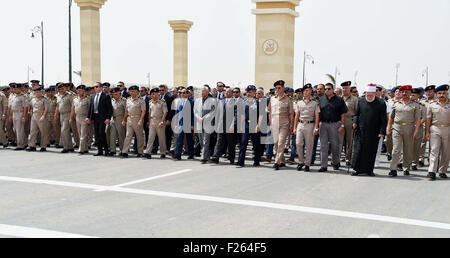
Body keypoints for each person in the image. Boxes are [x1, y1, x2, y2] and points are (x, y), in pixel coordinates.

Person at [351, 84, 387, 176]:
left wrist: (382, 132)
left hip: (374, 132)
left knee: (371, 151)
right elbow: (356, 114)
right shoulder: (361, 101)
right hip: (360, 130)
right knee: (358, 150)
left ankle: (369, 170)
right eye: (368, 95)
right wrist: (354, 122)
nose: (369, 97)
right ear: (366, 93)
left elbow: (383, 119)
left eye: (371, 95)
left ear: (374, 93)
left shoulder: (381, 103)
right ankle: (356, 169)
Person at [387, 85, 422, 177]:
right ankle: (393, 168)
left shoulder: (415, 105)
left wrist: (416, 130)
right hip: (397, 128)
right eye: (403, 92)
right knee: (396, 149)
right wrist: (388, 127)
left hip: (409, 128)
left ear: (410, 93)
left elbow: (418, 118)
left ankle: (406, 167)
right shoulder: (396, 104)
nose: (404, 93)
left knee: (408, 149)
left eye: (407, 92)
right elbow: (391, 117)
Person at [318, 83, 348, 172]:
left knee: (335, 145)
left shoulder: (339, 100)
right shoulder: (321, 99)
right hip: (323, 124)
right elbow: (318, 113)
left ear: (333, 89)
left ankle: (335, 162)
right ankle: (323, 165)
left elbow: (343, 113)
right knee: (323, 146)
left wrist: (342, 125)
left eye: (329, 89)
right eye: (326, 89)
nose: (327, 90)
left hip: (335, 125)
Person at [268, 80, 294, 170]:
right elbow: (270, 112)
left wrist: (291, 125)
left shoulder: (288, 99)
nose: (277, 89)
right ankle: (282, 160)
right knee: (276, 142)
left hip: (284, 121)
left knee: (281, 142)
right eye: (276, 88)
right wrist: (270, 124)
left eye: (279, 88)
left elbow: (291, 113)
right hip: (274, 120)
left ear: (283, 88)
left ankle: (277, 162)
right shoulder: (272, 98)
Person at [293, 84, 320, 172]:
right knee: (298, 143)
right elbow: (297, 115)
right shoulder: (299, 103)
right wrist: (295, 127)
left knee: (309, 145)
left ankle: (307, 164)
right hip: (300, 124)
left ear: (311, 91)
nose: (305, 92)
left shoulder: (315, 103)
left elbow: (317, 116)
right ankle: (301, 162)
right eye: (304, 91)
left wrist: (316, 127)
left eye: (307, 90)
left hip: (310, 125)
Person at [425, 84, 449, 181]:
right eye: (439, 93)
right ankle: (432, 171)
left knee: (446, 152)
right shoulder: (432, 105)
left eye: (444, 93)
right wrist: (427, 132)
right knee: (434, 150)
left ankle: (442, 170)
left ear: (447, 94)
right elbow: (428, 119)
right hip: (435, 129)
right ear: (436, 95)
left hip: (448, 129)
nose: (442, 95)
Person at [211, 87, 238, 165]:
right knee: (219, 142)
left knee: (231, 143)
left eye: (229, 92)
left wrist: (233, 124)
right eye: (226, 92)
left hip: (230, 126)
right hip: (221, 126)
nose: (227, 93)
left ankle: (231, 158)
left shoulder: (235, 102)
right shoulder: (221, 101)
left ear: (232, 93)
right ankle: (215, 157)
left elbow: (236, 115)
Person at [238, 85, 262, 167]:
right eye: (247, 91)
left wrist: (259, 125)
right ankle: (240, 161)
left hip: (254, 124)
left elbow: (261, 115)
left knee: (256, 144)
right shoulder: (243, 102)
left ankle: (257, 160)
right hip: (245, 124)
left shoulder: (258, 102)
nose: (248, 93)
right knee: (243, 143)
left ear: (254, 92)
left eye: (250, 91)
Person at [87, 82, 113, 156]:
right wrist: (88, 117)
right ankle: (100, 150)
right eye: (94, 87)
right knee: (97, 135)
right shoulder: (92, 96)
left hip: (103, 118)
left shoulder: (106, 96)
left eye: (97, 86)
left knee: (102, 133)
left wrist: (108, 118)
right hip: (95, 117)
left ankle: (106, 150)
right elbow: (90, 108)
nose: (95, 88)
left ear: (101, 87)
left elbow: (109, 109)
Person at [121, 86, 146, 158]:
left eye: (133, 91)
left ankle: (140, 152)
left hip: (137, 118)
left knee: (139, 136)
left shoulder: (141, 100)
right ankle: (124, 151)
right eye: (131, 91)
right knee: (128, 135)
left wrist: (141, 120)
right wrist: (124, 120)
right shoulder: (128, 100)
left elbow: (143, 111)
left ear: (137, 92)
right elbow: (126, 111)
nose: (131, 93)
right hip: (129, 119)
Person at [195, 85, 217, 164]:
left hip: (207, 123)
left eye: (203, 91)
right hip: (199, 122)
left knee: (206, 140)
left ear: (207, 92)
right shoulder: (197, 100)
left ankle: (203, 157)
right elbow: (195, 111)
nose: (202, 92)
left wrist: (204, 118)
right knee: (201, 141)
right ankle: (206, 155)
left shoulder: (212, 101)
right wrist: (198, 118)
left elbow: (213, 112)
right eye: (201, 91)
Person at [144, 88, 168, 159]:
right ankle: (148, 152)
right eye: (151, 94)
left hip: (159, 120)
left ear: (158, 94)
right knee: (150, 137)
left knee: (161, 138)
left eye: (154, 94)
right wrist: (149, 121)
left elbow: (165, 112)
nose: (152, 95)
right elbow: (149, 113)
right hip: (152, 121)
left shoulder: (162, 102)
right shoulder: (150, 102)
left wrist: (162, 121)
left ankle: (163, 152)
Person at [173, 89, 195, 160]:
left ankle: (191, 154)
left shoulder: (192, 102)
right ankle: (177, 155)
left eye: (183, 93)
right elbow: (177, 113)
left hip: (188, 124)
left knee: (189, 140)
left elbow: (193, 114)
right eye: (181, 93)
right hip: (180, 123)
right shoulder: (179, 102)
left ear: (187, 94)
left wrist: (192, 124)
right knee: (179, 140)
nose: (181, 94)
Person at [27, 86, 49, 152]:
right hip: (34, 115)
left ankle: (43, 146)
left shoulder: (44, 99)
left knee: (43, 131)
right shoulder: (33, 99)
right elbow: (30, 105)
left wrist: (43, 116)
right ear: (34, 92)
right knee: (32, 131)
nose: (37, 93)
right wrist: (29, 110)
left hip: (41, 115)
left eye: (39, 92)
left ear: (41, 92)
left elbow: (46, 109)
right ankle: (32, 145)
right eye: (36, 92)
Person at [69, 85, 91, 154]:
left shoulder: (87, 99)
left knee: (83, 134)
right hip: (77, 117)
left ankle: (81, 149)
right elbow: (73, 109)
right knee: (79, 133)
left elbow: (90, 110)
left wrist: (89, 118)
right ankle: (85, 148)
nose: (79, 92)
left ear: (84, 91)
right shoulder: (75, 99)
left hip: (84, 117)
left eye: (81, 90)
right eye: (78, 90)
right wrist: (70, 118)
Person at [54, 84, 75, 153]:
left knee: (64, 131)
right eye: (59, 89)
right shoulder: (58, 97)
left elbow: (73, 107)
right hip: (61, 115)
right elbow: (57, 107)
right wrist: (56, 115)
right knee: (66, 132)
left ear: (65, 89)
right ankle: (70, 147)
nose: (61, 90)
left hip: (67, 114)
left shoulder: (69, 96)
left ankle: (66, 147)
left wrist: (71, 117)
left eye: (62, 89)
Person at [8, 83, 29, 150]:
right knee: (16, 129)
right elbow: (12, 107)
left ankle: (20, 145)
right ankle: (25, 143)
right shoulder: (13, 96)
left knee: (19, 130)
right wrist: (11, 116)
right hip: (14, 113)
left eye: (16, 89)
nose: (14, 90)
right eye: (14, 89)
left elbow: (25, 108)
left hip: (20, 114)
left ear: (20, 89)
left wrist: (23, 117)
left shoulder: (23, 97)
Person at [411, 88, 427, 171]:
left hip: (419, 127)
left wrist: (417, 124)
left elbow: (424, 117)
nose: (412, 96)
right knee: (406, 145)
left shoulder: (421, 105)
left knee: (417, 146)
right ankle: (404, 162)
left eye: (414, 95)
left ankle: (414, 163)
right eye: (411, 94)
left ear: (418, 96)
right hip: (408, 127)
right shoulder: (407, 104)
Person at [109, 87, 127, 156]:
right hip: (113, 119)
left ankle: (122, 150)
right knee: (112, 135)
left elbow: (126, 111)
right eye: (113, 94)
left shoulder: (123, 100)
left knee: (121, 135)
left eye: (116, 94)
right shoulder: (112, 100)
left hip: (120, 118)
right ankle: (112, 150)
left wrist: (124, 120)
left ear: (119, 93)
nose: (114, 95)